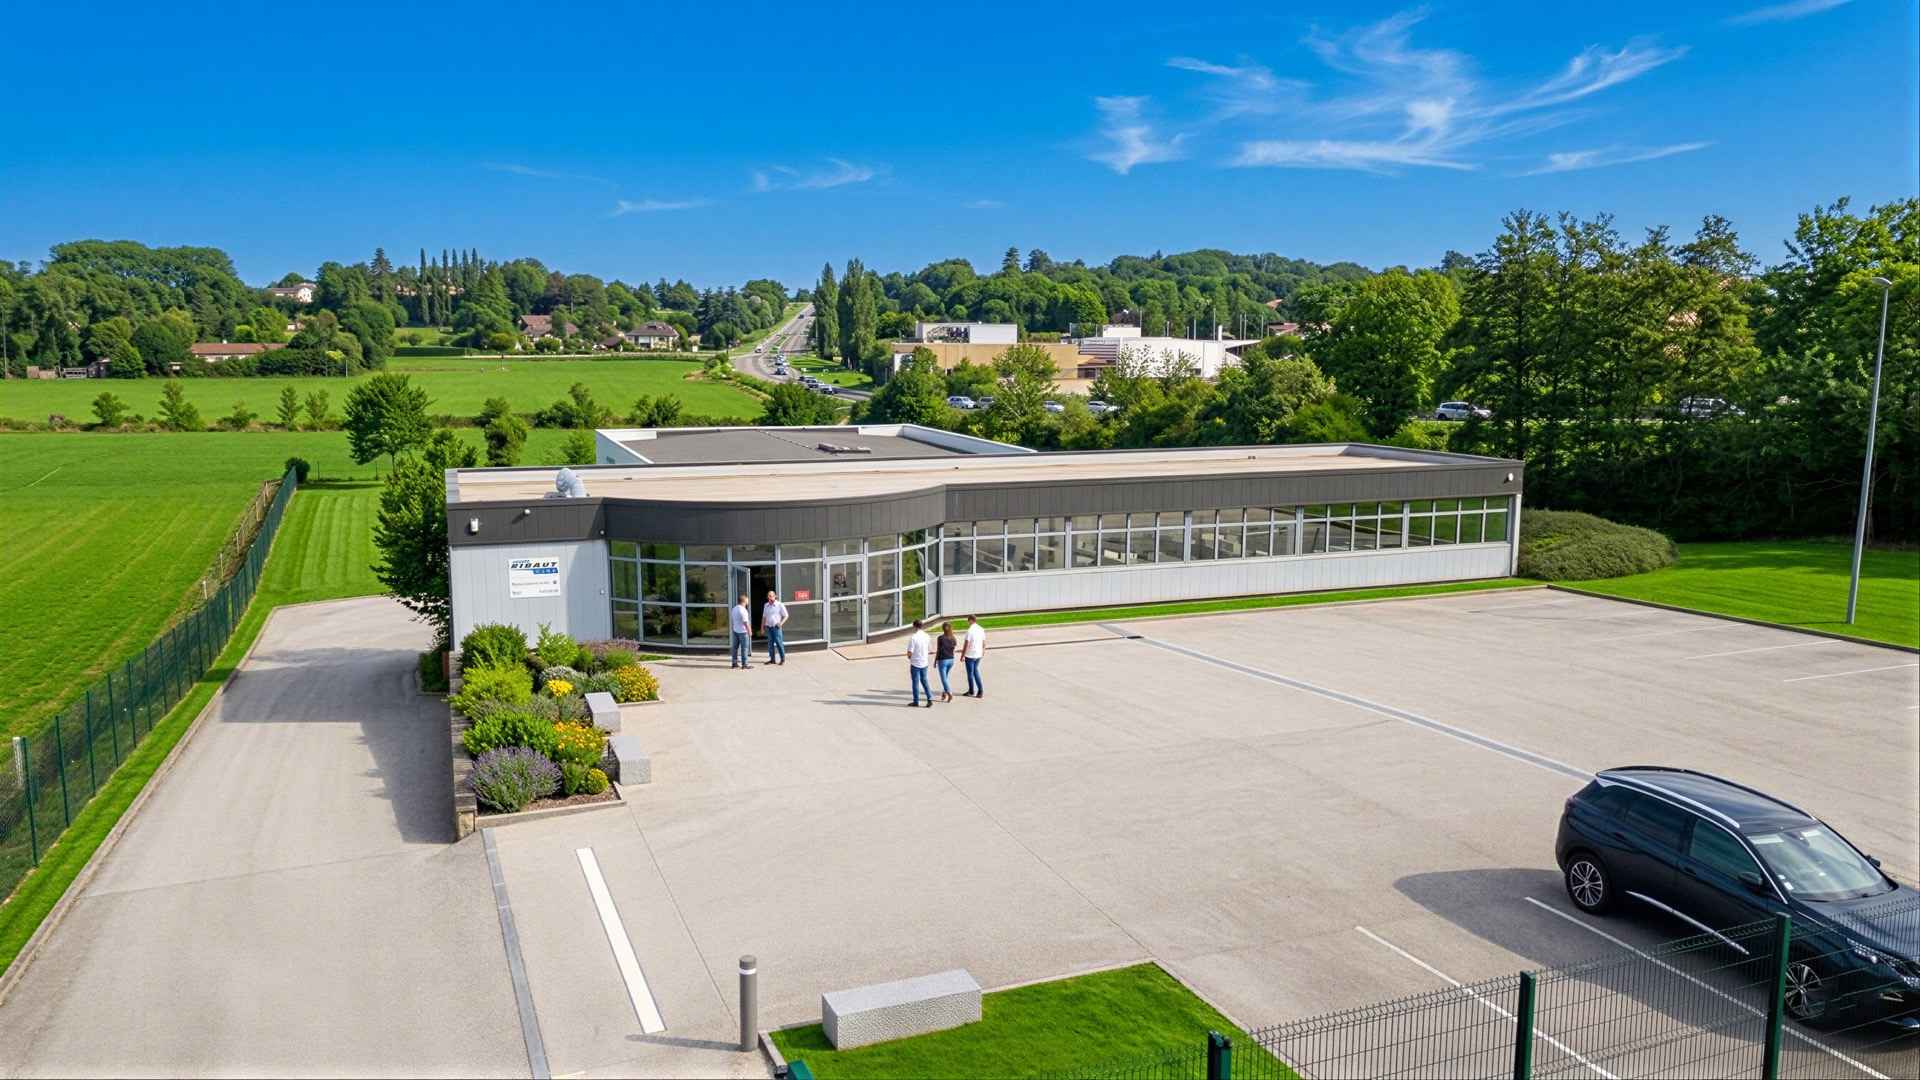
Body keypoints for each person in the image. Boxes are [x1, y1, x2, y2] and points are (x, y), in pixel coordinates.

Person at [906, 619, 933, 707]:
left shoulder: (913, 637)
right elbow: (930, 650)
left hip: (915, 663)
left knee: (915, 682)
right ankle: (929, 698)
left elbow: (910, 652)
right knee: (925, 681)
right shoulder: (927, 636)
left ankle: (916, 701)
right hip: (924, 662)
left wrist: (910, 657)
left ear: (914, 626)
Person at [961, 615, 986, 698]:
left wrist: (962, 655)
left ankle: (971, 691)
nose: (968, 622)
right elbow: (983, 642)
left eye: (968, 621)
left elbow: (966, 644)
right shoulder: (981, 629)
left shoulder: (969, 631)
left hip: (970, 655)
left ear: (971, 620)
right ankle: (980, 691)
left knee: (970, 674)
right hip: (978, 654)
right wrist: (983, 651)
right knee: (975, 671)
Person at [763, 590, 789, 665]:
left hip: (776, 628)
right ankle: (772, 659)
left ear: (775, 596)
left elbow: (786, 615)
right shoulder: (766, 605)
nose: (770, 597)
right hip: (768, 627)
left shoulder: (779, 605)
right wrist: (762, 627)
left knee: (779, 643)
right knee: (770, 644)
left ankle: (782, 659)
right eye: (769, 596)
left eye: (771, 596)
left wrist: (781, 623)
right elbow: (764, 617)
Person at [935, 621, 957, 703]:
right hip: (951, 660)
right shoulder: (953, 638)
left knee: (943, 679)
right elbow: (953, 647)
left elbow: (938, 650)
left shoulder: (940, 638)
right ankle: (944, 693)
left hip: (943, 660)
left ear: (943, 629)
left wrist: (935, 661)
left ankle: (949, 693)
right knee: (946, 678)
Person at [729, 594, 752, 669]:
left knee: (735, 647)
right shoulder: (743, 610)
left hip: (735, 631)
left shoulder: (734, 608)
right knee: (744, 648)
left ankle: (734, 663)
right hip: (743, 632)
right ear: (744, 600)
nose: (748, 601)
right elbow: (745, 622)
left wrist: (733, 628)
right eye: (747, 600)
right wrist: (749, 631)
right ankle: (744, 664)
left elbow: (733, 621)